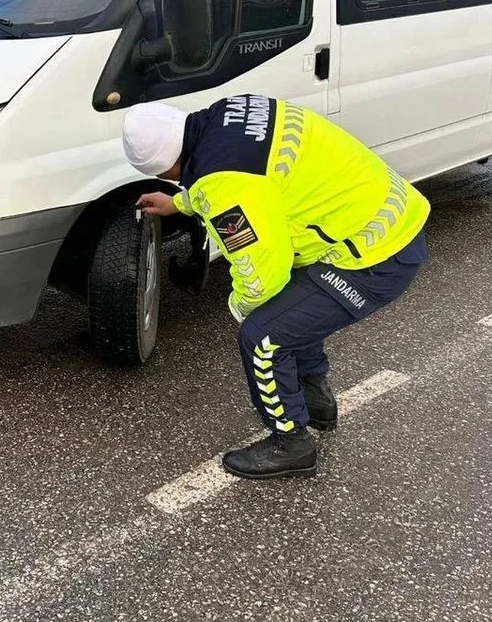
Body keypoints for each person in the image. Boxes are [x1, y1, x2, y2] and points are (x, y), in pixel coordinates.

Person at [122, 95, 431, 479]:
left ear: (167, 166)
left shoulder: (224, 184)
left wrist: (239, 306)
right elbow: (243, 177)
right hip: (385, 219)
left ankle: (292, 444)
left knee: (264, 335)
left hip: (374, 257)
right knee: (293, 311)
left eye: (168, 176)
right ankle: (316, 401)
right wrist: (181, 203)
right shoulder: (231, 112)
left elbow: (262, 274)